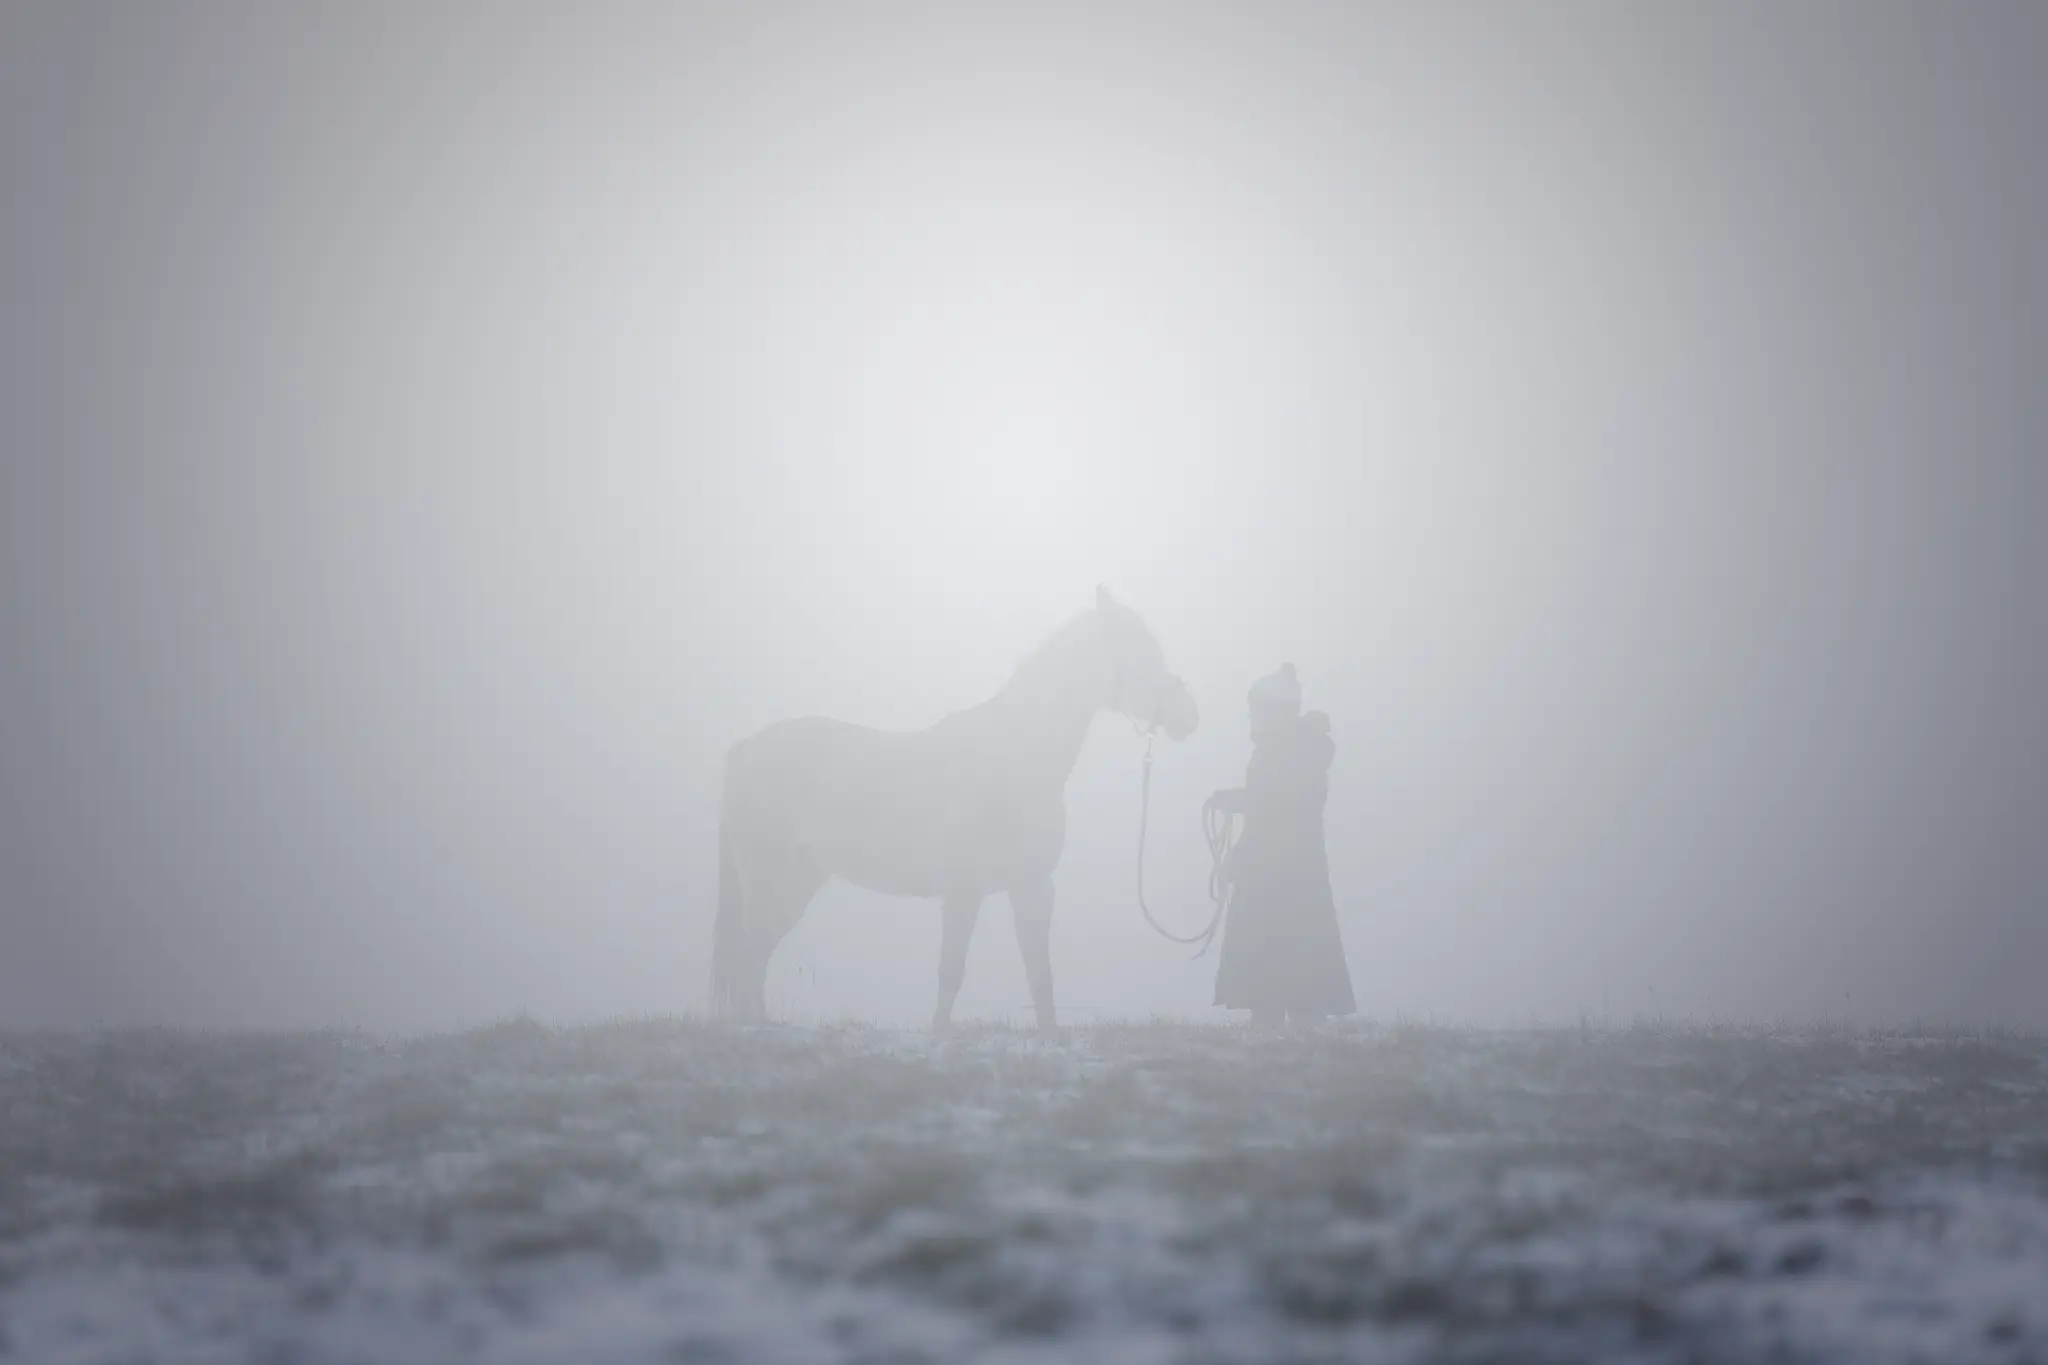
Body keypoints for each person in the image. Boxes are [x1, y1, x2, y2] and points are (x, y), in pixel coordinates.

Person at [1209, 663, 1356, 1027]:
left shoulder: (1291, 752)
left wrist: (1238, 848)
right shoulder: (1293, 749)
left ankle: (1283, 1041)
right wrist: (1239, 801)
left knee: (1275, 958)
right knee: (1291, 961)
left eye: (1257, 711)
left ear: (1275, 712)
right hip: (1290, 873)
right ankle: (1289, 1040)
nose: (1252, 719)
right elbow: (1272, 804)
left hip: (1278, 876)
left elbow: (1278, 811)